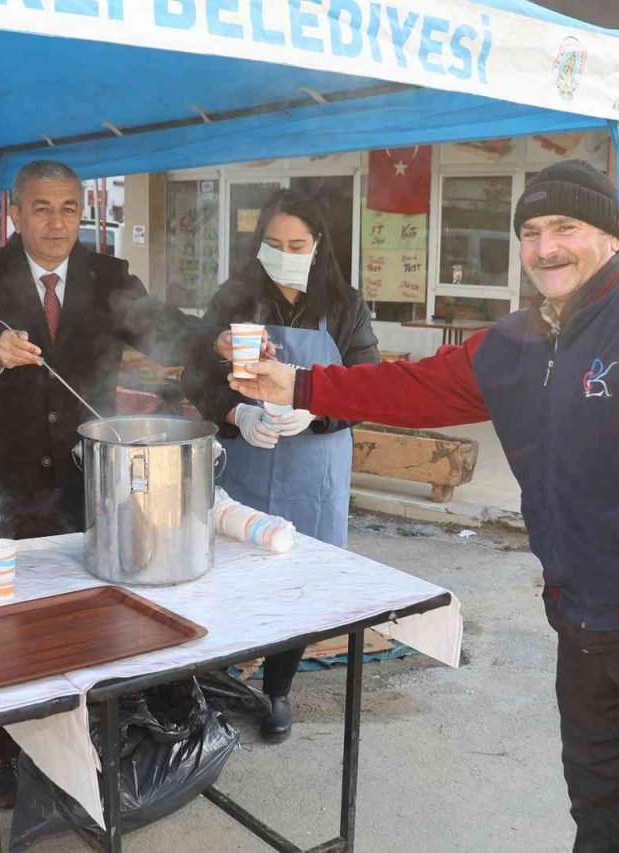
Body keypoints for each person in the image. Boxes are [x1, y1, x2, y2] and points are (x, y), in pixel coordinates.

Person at [229, 159, 619, 851]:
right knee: (599, 814)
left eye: (566, 226)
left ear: (612, 238)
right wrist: (294, 384)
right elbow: (410, 387)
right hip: (584, 623)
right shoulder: (517, 342)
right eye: (530, 231)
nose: (545, 247)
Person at [0, 160, 226, 539]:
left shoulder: (108, 277)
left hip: (90, 485)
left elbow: (164, 329)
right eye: (41, 208)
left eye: (68, 209)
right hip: (7, 491)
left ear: (81, 213)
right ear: (17, 215)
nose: (57, 223)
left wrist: (216, 340)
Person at [183, 189, 377, 743]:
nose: (284, 252)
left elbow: (366, 388)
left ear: (317, 246)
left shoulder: (344, 305)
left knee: (299, 584)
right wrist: (235, 412)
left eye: (296, 244)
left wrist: (314, 412)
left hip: (313, 473)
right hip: (245, 463)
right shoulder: (235, 300)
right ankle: (214, 684)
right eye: (273, 243)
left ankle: (277, 691)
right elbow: (195, 375)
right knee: (231, 574)